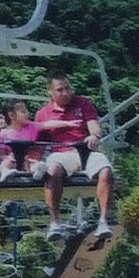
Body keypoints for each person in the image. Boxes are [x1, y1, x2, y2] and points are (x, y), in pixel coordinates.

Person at [26, 68, 113, 227]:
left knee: (106, 169)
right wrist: (31, 162)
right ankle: (55, 222)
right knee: (53, 171)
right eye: (60, 90)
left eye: (67, 88)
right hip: (62, 153)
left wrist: (94, 136)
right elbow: (40, 145)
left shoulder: (84, 103)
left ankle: (103, 221)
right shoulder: (43, 114)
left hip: (86, 150)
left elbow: (94, 126)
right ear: (50, 91)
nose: (65, 93)